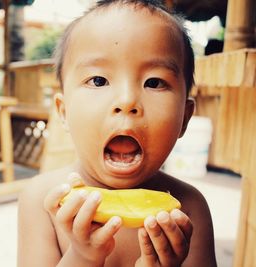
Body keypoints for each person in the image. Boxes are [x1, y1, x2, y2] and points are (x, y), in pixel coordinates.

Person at [18, 0, 217, 266]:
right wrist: (81, 257)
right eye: (98, 80)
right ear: (63, 112)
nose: (126, 100)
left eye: (154, 82)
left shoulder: (189, 209)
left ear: (184, 118)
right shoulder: (42, 202)